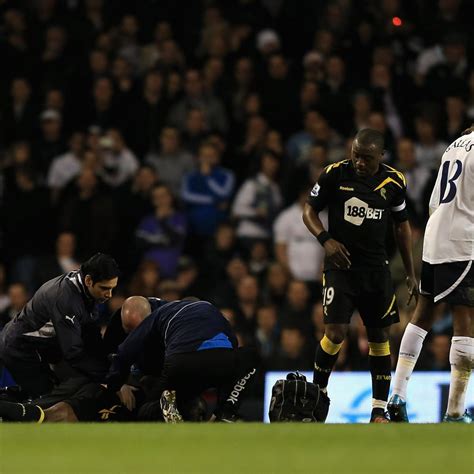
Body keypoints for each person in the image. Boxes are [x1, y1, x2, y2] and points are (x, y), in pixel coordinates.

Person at [303, 128, 418, 423]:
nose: (359, 162)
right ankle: (318, 395)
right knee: (335, 332)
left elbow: (402, 227)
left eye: (366, 158)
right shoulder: (334, 174)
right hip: (340, 268)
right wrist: (326, 240)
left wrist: (410, 272)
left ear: (380, 155)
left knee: (379, 336)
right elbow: (309, 211)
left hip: (376, 270)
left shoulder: (395, 181)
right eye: (356, 155)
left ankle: (378, 409)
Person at [388, 126, 474, 423]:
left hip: (435, 234)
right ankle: (455, 411)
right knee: (466, 317)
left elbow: (434, 201)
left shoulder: (453, 146)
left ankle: (396, 396)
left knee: (423, 314)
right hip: (463, 240)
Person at [106, 297, 259, 423]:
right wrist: (223, 393)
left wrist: (114, 386)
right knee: (249, 357)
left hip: (181, 364)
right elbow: (233, 343)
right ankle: (225, 413)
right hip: (220, 361)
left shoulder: (160, 314)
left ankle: (164, 407)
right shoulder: (212, 311)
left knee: (149, 408)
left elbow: (125, 351)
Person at [0, 253, 120, 399]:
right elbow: (73, 352)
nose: (109, 295)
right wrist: (110, 378)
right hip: (20, 348)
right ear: (89, 280)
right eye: (105, 288)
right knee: (46, 400)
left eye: (112, 289)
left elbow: (91, 334)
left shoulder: (85, 287)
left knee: (47, 394)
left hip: (36, 347)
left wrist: (110, 368)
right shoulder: (66, 299)